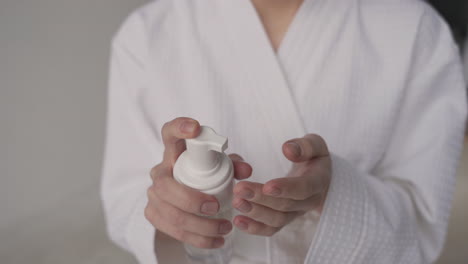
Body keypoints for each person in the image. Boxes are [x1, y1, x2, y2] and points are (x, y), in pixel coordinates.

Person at [101, 0, 468, 263]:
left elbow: (423, 223)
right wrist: (169, 208)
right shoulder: (147, 34)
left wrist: (334, 195)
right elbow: (126, 200)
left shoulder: (414, 26)